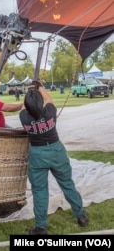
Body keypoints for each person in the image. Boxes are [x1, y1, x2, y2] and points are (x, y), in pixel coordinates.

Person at [19, 80, 89, 235]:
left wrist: (30, 91)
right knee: (67, 184)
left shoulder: (23, 117)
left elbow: (25, 105)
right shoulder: (50, 111)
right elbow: (49, 99)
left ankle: (41, 227)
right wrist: (40, 88)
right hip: (56, 150)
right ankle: (81, 216)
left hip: (37, 154)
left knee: (39, 191)